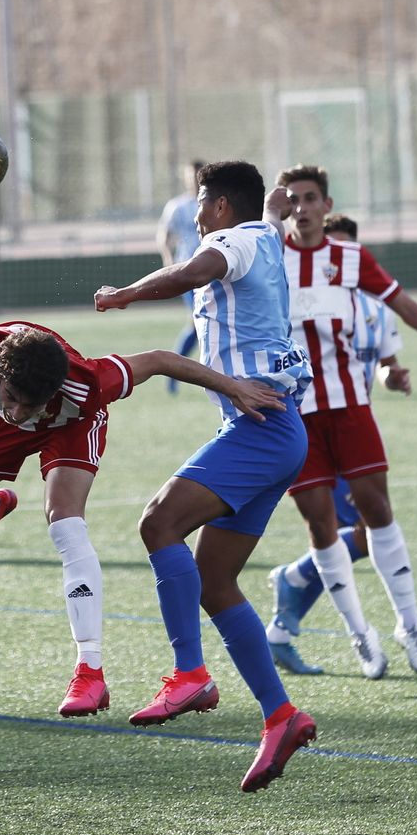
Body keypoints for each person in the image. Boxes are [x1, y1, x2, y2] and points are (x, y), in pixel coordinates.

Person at [0, 321, 286, 721]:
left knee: (65, 524)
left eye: (30, 404)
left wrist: (233, 388)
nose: (19, 412)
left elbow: (161, 360)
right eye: (12, 396)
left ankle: (89, 672)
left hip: (71, 425)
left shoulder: (89, 383)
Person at [94, 159, 318, 793]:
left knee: (157, 522)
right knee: (215, 580)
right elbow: (269, 214)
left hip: (259, 429)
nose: (193, 215)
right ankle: (281, 717)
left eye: (199, 203)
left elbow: (192, 272)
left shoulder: (230, 241)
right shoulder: (266, 233)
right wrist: (272, 201)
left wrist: (123, 294)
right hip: (275, 428)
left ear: (220, 207)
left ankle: (189, 674)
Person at [262, 165, 417, 681]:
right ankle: (359, 632)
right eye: (292, 198)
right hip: (294, 414)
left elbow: (403, 305)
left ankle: (410, 626)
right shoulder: (269, 259)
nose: (301, 206)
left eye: (310, 197)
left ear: (326, 204)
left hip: (349, 406)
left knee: (375, 510)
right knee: (321, 523)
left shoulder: (349, 258)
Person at [264, 211, 410, 676]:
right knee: (351, 532)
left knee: (364, 533)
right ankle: (291, 587)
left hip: (353, 423)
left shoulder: (374, 310)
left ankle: (284, 619)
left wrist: (392, 376)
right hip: (314, 425)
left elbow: (384, 365)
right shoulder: (302, 304)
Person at [155, 160, 205, 391]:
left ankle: (176, 372)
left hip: (213, 271)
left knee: (203, 325)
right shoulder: (178, 206)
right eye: (190, 175)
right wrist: (168, 259)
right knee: (198, 323)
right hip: (188, 273)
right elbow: (164, 235)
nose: (194, 179)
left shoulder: (215, 202)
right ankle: (174, 373)